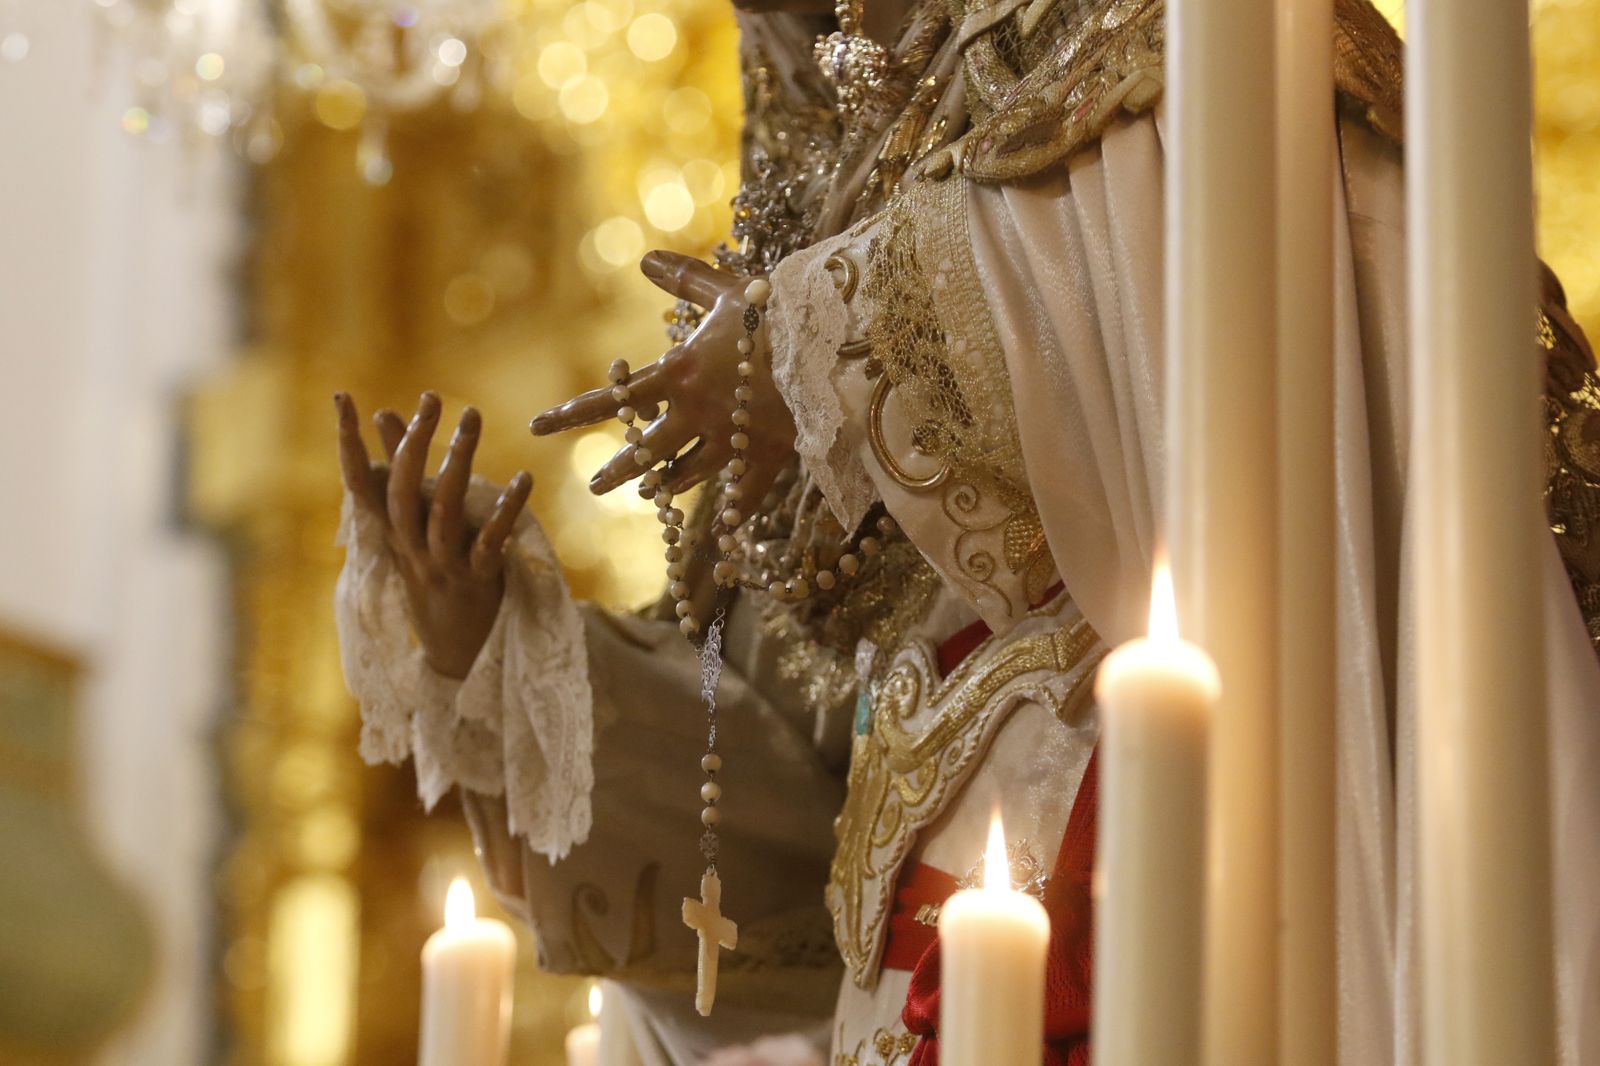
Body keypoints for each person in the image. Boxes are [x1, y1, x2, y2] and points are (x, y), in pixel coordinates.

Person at [334, 0, 1600, 1061]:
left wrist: (828, 340)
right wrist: (499, 655)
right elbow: (769, 857)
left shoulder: (1138, 41)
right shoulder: (840, 172)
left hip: (1231, 860)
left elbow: (1245, 243)